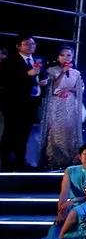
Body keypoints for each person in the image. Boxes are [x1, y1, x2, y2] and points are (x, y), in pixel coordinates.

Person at [1, 35, 47, 169]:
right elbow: (6, 80)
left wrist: (43, 80)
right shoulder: (10, 61)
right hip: (14, 103)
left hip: (32, 102)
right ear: (18, 46)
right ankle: (5, 162)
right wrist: (27, 74)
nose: (31, 46)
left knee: (25, 133)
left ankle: (20, 161)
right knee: (11, 132)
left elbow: (40, 75)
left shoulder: (38, 59)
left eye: (33, 44)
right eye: (27, 44)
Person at [39, 46, 85, 170]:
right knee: (56, 131)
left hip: (70, 103)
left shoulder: (76, 73)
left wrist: (69, 89)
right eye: (62, 55)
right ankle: (55, 160)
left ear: (72, 57)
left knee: (70, 130)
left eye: (68, 55)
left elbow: (81, 88)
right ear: (58, 57)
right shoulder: (51, 70)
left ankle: (71, 159)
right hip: (56, 103)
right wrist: (63, 72)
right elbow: (52, 87)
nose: (66, 58)